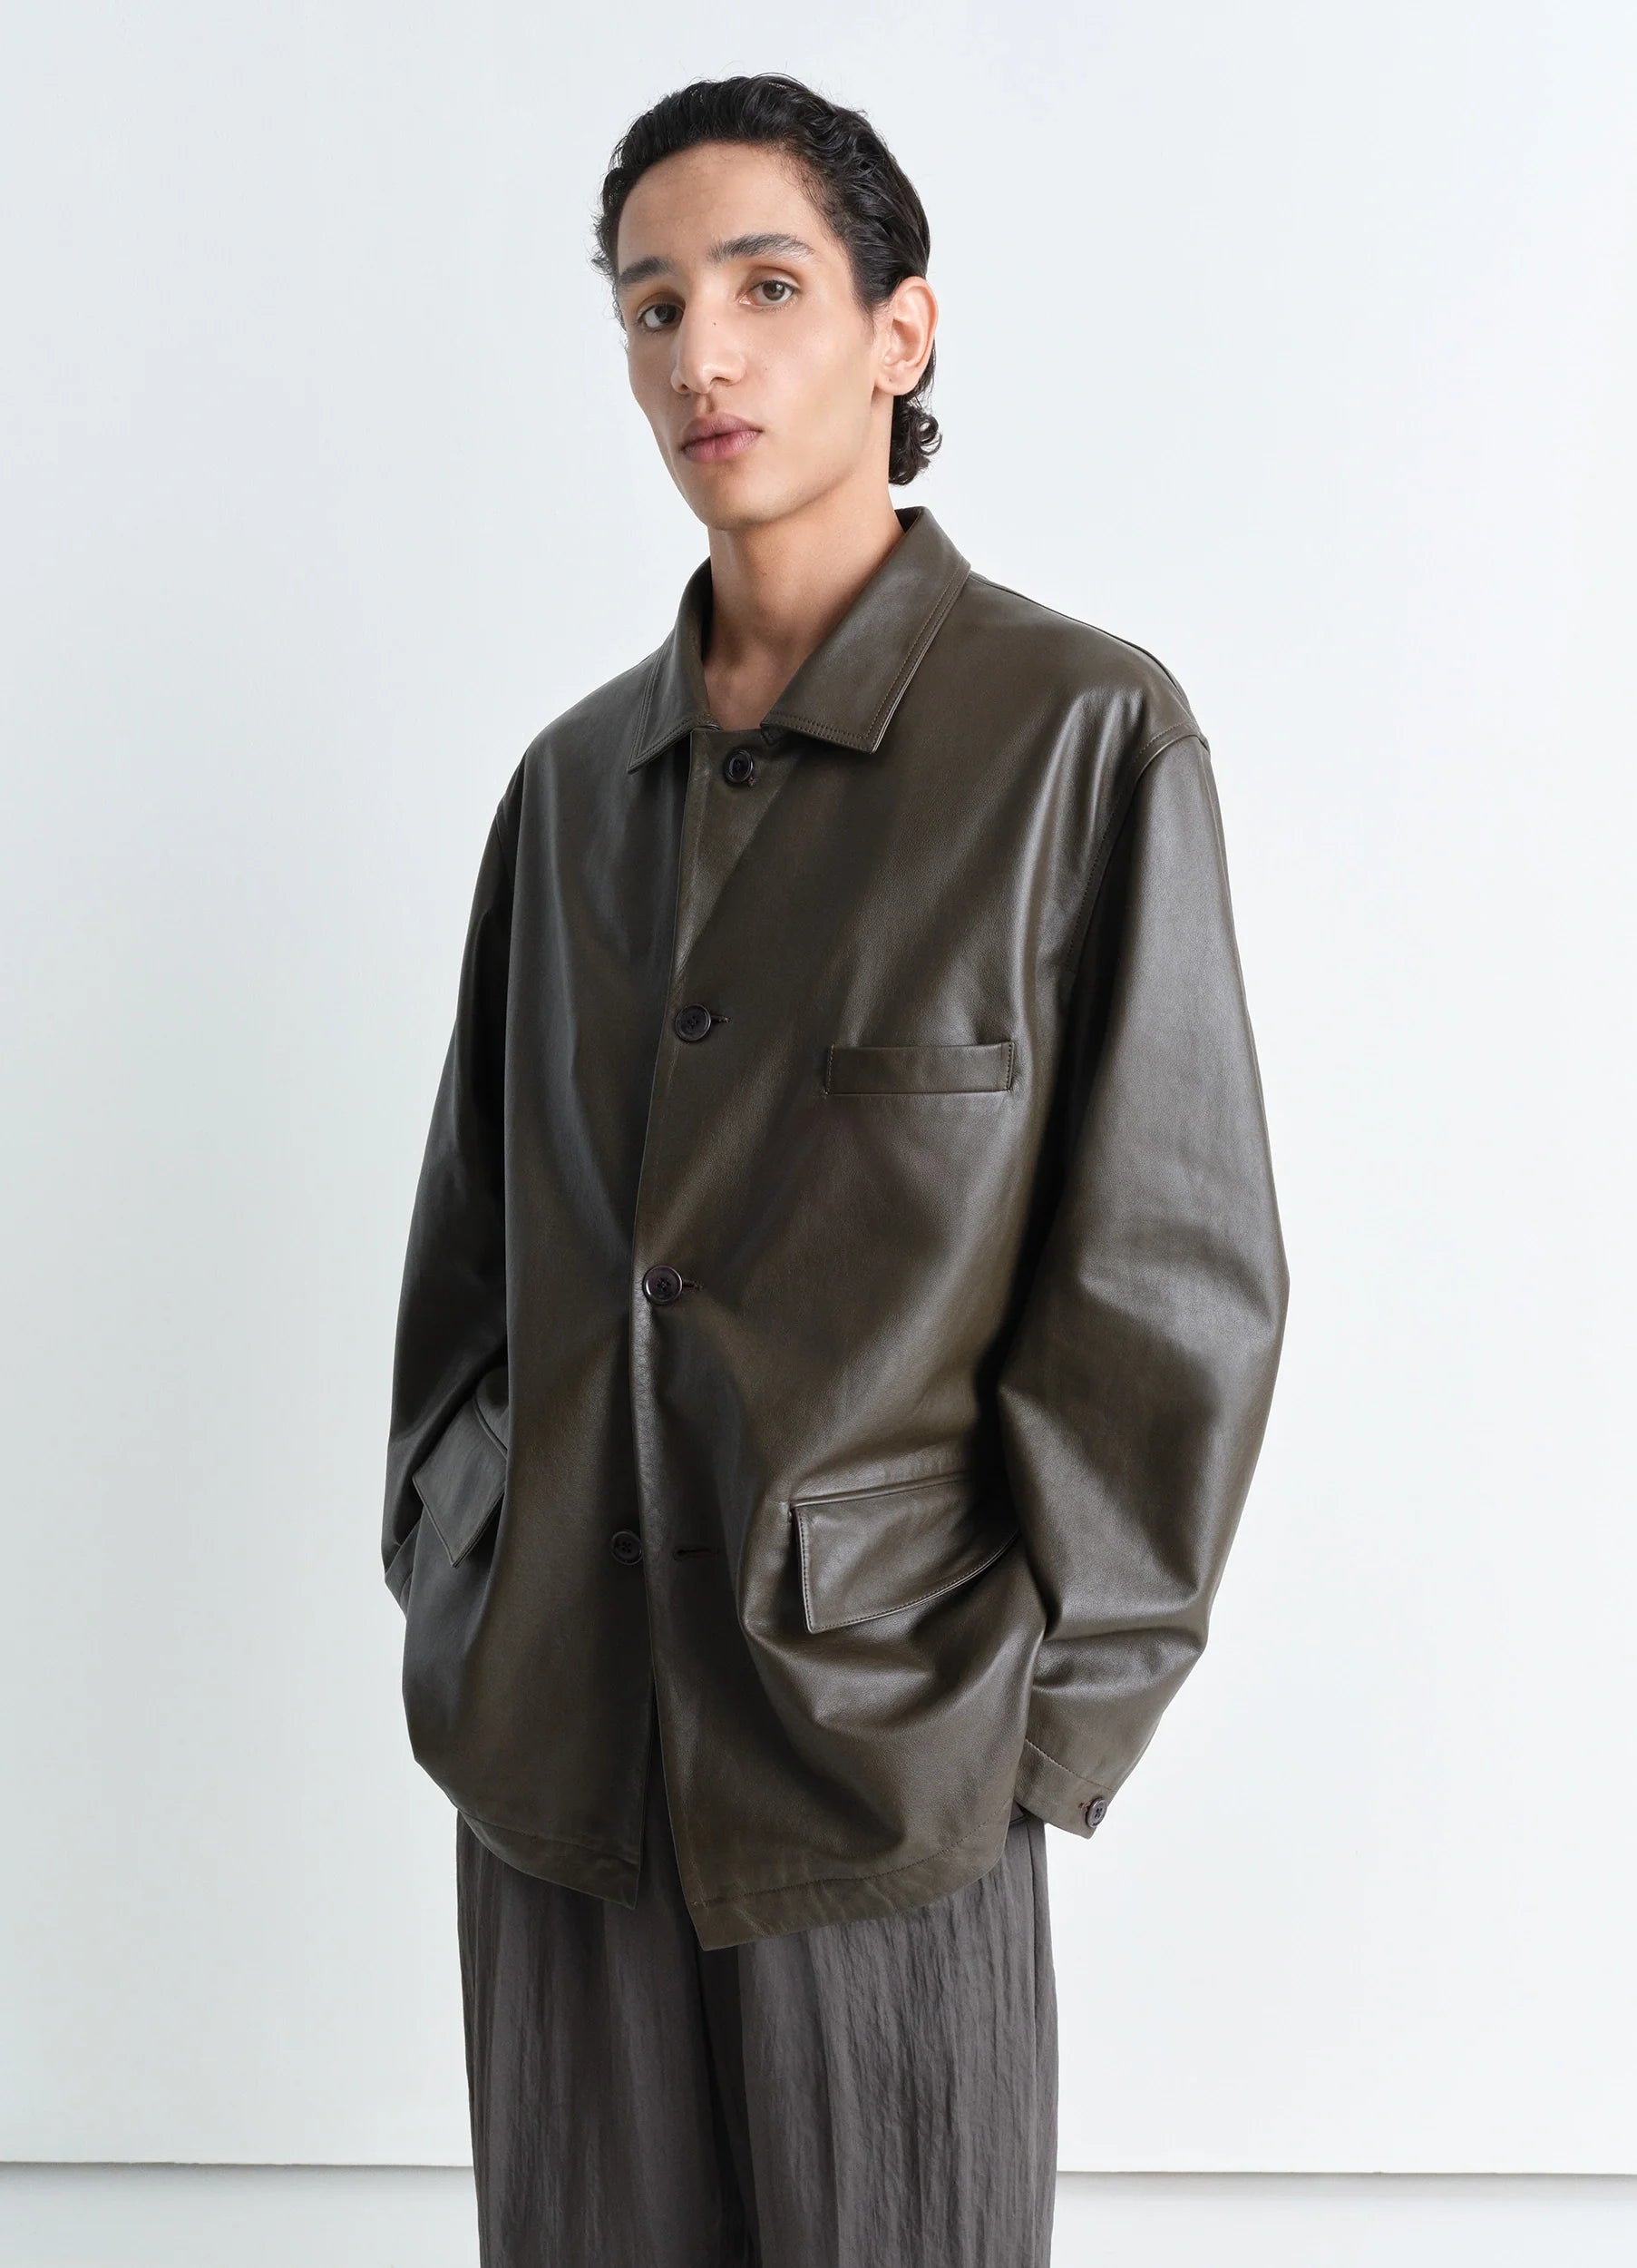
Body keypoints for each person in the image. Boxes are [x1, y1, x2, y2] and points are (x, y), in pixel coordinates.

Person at [381, 70, 1290, 2268]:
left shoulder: (1078, 736)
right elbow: (470, 1266)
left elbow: (1171, 1285)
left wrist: (1025, 1740)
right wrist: (468, 1566)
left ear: (901, 329)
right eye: (651, 303)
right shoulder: (570, 790)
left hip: (891, 1782)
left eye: (766, 285)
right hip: (560, 1771)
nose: (700, 352)